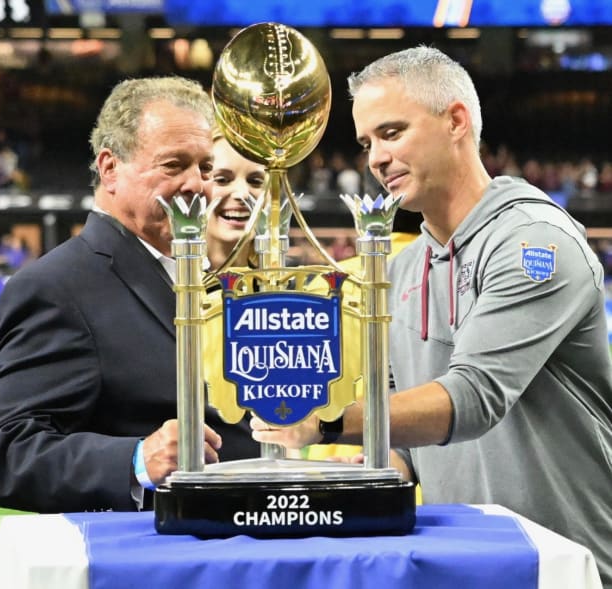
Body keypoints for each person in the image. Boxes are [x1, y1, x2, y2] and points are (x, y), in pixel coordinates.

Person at [251, 46, 612, 586]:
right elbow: (405, 426)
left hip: (560, 566)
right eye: (367, 142)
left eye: (391, 133)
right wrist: (380, 467)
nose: (374, 158)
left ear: (456, 122)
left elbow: (472, 398)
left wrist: (325, 420)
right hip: (464, 565)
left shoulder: (536, 242)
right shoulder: (403, 268)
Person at [0, 76, 259, 514]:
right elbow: (3, 452)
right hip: (146, 562)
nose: (196, 185)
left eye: (203, 167)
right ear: (109, 169)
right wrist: (135, 460)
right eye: (173, 165)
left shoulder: (208, 272)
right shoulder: (56, 286)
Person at [206, 132, 266, 271]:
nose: (242, 194)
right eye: (222, 180)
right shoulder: (168, 279)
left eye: (255, 181)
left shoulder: (286, 283)